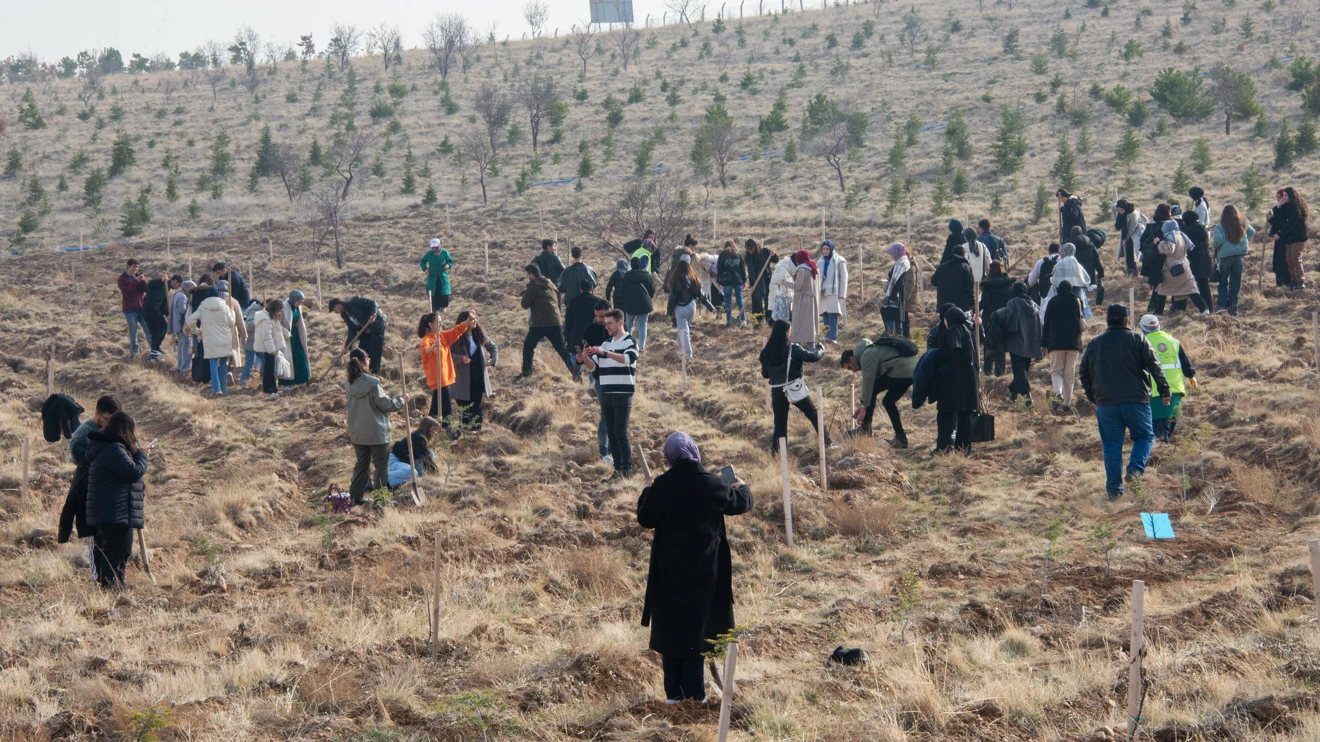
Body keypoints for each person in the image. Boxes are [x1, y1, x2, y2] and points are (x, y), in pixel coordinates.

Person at [637, 432, 753, 705]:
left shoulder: (661, 487)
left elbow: (645, 517)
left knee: (670, 629)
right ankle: (694, 696)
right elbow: (743, 503)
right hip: (705, 571)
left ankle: (673, 697)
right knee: (696, 629)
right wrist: (742, 486)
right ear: (695, 452)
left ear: (670, 457)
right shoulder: (713, 484)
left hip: (668, 572)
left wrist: (646, 489)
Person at [1079, 304, 1170, 501]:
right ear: (1127, 320)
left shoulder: (1095, 343)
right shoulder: (1138, 339)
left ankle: (1114, 492)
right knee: (1145, 437)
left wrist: (1093, 396)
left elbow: (1083, 372)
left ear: (1107, 320)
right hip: (1136, 401)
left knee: (1112, 446)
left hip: (1106, 404)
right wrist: (1164, 391)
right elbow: (1155, 367)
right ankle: (1135, 470)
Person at [84, 411, 151, 588]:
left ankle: (118, 587)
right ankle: (110, 591)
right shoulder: (113, 448)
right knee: (115, 553)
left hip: (115, 510)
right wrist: (142, 455)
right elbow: (132, 472)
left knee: (123, 551)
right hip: (113, 512)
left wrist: (137, 454)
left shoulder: (110, 447)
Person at [59, 396, 121, 573]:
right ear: (97, 413)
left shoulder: (109, 428)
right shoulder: (81, 437)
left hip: (110, 495)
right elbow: (84, 461)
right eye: (109, 419)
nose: (111, 425)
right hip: (90, 493)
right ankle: (99, 580)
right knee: (96, 539)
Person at [583, 309, 639, 480]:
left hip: (622, 394)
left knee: (620, 432)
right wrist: (585, 357)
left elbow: (628, 359)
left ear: (620, 323)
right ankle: (617, 470)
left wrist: (603, 353)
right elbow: (594, 368)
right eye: (605, 323)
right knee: (612, 434)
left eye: (610, 323)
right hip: (606, 394)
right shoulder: (606, 343)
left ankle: (627, 470)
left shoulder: (630, 341)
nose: (606, 326)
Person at [345, 347, 404, 506]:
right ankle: (381, 501)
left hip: (358, 433)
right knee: (381, 467)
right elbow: (386, 405)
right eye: (368, 358)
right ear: (364, 361)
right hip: (377, 433)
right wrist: (401, 400)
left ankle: (355, 499)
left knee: (361, 465)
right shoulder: (372, 384)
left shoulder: (349, 383)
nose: (370, 360)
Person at [760, 319, 831, 450]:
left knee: (780, 425)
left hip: (776, 390)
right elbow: (813, 357)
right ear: (786, 332)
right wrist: (820, 348)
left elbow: (765, 375)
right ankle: (827, 442)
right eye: (790, 330)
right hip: (794, 387)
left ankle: (778, 454)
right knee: (813, 414)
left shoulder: (767, 352)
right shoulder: (793, 349)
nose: (791, 332)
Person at [841, 339, 917, 448]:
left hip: (901, 370)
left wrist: (864, 406)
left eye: (849, 367)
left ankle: (865, 429)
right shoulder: (874, 351)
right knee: (888, 402)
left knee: (873, 389)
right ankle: (901, 439)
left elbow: (868, 381)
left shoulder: (866, 355)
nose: (852, 371)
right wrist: (864, 405)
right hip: (911, 372)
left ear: (852, 358)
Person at [1138, 315, 1197, 444]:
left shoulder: (1141, 342)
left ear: (1142, 328)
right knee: (1171, 422)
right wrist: (1191, 376)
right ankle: (1164, 452)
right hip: (1176, 389)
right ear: (1158, 326)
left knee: (1159, 427)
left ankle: (1161, 453)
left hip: (1153, 391)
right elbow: (1185, 362)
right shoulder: (1173, 341)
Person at [931, 306, 980, 454]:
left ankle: (943, 448)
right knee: (965, 416)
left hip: (950, 383)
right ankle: (962, 449)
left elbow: (944, 359)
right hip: (969, 382)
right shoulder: (970, 335)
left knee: (945, 415)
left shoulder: (948, 335)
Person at [519, 264, 579, 381]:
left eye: (528, 275)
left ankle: (526, 373)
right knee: (562, 350)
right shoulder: (550, 284)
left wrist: (527, 291)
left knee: (528, 346)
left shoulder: (533, 287)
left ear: (531, 275)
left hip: (540, 323)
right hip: (555, 321)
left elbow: (524, 304)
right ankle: (576, 373)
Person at [420, 312, 479, 426]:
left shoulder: (442, 336)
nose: (441, 324)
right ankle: (446, 432)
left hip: (446, 378)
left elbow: (457, 331)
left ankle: (427, 429)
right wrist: (433, 347)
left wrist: (468, 320)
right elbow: (424, 351)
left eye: (442, 322)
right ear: (431, 324)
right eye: (439, 322)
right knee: (446, 409)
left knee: (436, 409)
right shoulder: (427, 339)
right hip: (439, 379)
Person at [992, 283, 1042, 404]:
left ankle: (1028, 399)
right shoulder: (1034, 305)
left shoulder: (1012, 303)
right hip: (1030, 343)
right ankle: (1012, 397)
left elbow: (1008, 320)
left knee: (1019, 371)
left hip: (1016, 342)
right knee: (1022, 370)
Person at [578, 300, 615, 465]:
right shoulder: (590, 330)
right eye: (597, 316)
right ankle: (604, 453)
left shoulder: (618, 330)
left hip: (618, 376)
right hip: (600, 376)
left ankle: (615, 452)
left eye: (602, 316)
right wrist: (581, 358)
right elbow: (584, 354)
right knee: (606, 415)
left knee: (617, 416)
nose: (600, 320)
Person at [450, 308, 498, 430]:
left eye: (475, 318)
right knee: (464, 407)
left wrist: (492, 360)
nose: (474, 321)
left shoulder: (480, 335)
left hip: (478, 377)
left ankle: (476, 433)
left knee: (477, 407)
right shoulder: (455, 337)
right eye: (471, 319)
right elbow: (447, 354)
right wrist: (460, 358)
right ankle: (464, 433)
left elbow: (493, 347)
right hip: (462, 379)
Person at [187, 283, 237, 397]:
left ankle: (217, 389)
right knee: (223, 364)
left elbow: (190, 320)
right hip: (224, 339)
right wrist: (232, 311)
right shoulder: (225, 306)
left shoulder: (203, 306)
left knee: (213, 365)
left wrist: (197, 331)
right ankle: (223, 388)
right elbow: (232, 323)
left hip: (210, 341)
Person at [1041, 280, 1084, 412]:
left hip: (1056, 342)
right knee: (1069, 375)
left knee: (1056, 371)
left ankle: (1058, 394)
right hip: (1073, 343)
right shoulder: (1077, 301)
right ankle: (1067, 403)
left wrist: (1044, 344)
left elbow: (1046, 324)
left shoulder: (1053, 301)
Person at [1151, 221, 1210, 315]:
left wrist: (1159, 243)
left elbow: (1169, 250)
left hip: (1171, 267)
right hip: (1184, 265)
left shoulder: (1171, 236)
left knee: (1161, 290)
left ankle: (1158, 313)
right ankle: (1204, 309)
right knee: (1191, 290)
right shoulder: (1182, 235)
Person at [666, 255, 715, 359]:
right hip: (691, 307)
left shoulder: (675, 280)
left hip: (680, 309)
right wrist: (711, 308)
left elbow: (672, 298)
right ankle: (681, 351)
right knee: (682, 329)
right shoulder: (694, 279)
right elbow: (702, 296)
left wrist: (670, 311)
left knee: (683, 331)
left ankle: (688, 354)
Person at [1212, 203, 1255, 315]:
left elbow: (1218, 241)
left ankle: (1222, 306)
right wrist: (1242, 238)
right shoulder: (1243, 223)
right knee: (1235, 283)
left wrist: (1214, 244)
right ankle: (1234, 308)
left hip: (1225, 256)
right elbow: (1252, 232)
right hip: (1239, 256)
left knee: (1222, 282)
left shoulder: (1220, 226)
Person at [329, 296, 387, 374]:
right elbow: (352, 330)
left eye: (334, 310)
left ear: (337, 306)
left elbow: (372, 303)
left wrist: (373, 315)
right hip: (365, 330)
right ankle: (362, 372)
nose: (335, 312)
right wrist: (347, 347)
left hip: (377, 325)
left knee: (374, 350)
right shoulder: (344, 315)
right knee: (361, 351)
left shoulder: (354, 301)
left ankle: (374, 373)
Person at [1267, 186, 1310, 291]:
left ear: (1292, 195)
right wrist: (1278, 207)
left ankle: (1300, 281)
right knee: (1289, 259)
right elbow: (1279, 220)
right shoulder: (1287, 207)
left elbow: (1289, 224)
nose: (1284, 197)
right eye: (1284, 195)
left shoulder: (1295, 208)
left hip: (1298, 238)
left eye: (1286, 195)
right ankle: (1294, 280)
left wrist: (1280, 234)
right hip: (1289, 238)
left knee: (1296, 258)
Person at [978, 262, 1013, 376]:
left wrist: (975, 308)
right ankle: (1000, 371)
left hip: (990, 317)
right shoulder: (1008, 284)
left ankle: (987, 370)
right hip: (1004, 316)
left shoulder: (987, 285)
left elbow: (985, 302)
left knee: (988, 343)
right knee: (1001, 344)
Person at [388, 416, 442, 487]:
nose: (434, 432)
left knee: (430, 453)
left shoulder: (420, 436)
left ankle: (416, 478)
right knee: (412, 473)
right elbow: (424, 458)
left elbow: (425, 456)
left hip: (404, 460)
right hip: (395, 460)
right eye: (433, 429)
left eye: (436, 430)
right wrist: (436, 472)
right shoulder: (418, 438)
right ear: (427, 427)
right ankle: (384, 477)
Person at [252, 299, 290, 396]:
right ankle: (268, 390)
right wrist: (272, 350)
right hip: (268, 348)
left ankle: (273, 389)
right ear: (275, 309)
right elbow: (267, 336)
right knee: (269, 370)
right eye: (279, 310)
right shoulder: (266, 320)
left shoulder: (270, 317)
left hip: (270, 348)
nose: (280, 312)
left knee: (271, 369)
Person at [617, 257, 656, 351]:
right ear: (640, 264)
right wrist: (647, 298)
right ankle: (641, 347)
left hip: (630, 304)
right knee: (643, 325)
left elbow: (621, 290)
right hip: (644, 303)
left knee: (629, 324)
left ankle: (629, 345)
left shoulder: (627, 276)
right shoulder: (646, 275)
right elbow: (653, 289)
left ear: (631, 265)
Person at [1045, 243, 1092, 319]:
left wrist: (1050, 278)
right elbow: (1086, 280)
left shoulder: (1059, 264)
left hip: (1062, 296)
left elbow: (1055, 280)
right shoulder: (1078, 265)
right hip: (1077, 296)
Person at [1179, 210, 1214, 312]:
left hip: (1193, 261)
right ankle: (1209, 307)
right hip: (1205, 259)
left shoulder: (1187, 231)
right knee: (1204, 285)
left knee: (1189, 285)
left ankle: (1197, 307)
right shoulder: (1202, 229)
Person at [217, 280, 248, 385]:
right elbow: (240, 320)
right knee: (231, 353)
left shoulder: (214, 300)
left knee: (220, 355)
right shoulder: (233, 301)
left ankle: (222, 376)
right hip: (231, 331)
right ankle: (229, 372)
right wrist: (244, 335)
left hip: (217, 330)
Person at [117, 259, 150, 358]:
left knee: (148, 329)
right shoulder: (122, 279)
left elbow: (147, 289)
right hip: (130, 310)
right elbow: (126, 292)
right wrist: (135, 281)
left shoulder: (138, 277)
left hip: (141, 308)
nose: (135, 269)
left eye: (137, 267)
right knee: (133, 331)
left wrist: (143, 280)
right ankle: (135, 352)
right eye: (133, 267)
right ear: (128, 266)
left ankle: (155, 349)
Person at [817, 240, 848, 343]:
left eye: (827, 249)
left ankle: (833, 338)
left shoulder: (839, 260)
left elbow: (844, 278)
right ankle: (826, 337)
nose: (825, 251)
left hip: (834, 292)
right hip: (823, 292)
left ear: (831, 249)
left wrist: (842, 294)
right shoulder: (820, 262)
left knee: (833, 314)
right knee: (825, 314)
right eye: (824, 249)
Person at [883, 242, 916, 338]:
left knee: (896, 317)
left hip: (899, 296)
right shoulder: (900, 262)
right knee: (892, 315)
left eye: (892, 254)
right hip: (897, 295)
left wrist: (894, 297)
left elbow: (902, 282)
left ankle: (897, 337)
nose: (891, 256)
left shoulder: (903, 264)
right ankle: (894, 335)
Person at [930, 242, 974, 313]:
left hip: (944, 306)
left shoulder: (942, 267)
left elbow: (933, 282)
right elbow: (969, 288)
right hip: (962, 307)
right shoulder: (966, 268)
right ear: (963, 255)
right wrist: (973, 303)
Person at [564, 278, 600, 359]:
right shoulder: (597, 301)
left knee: (575, 356)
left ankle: (575, 371)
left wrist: (568, 334)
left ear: (580, 289)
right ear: (592, 288)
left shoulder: (573, 301)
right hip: (593, 334)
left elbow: (568, 320)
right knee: (593, 358)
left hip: (576, 333)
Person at [1070, 226, 1105, 309]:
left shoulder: (1069, 245)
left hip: (1074, 274)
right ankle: (1095, 307)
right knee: (1089, 293)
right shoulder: (1090, 244)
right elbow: (1096, 260)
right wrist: (1100, 272)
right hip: (1089, 273)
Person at [789, 251, 820, 345]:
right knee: (812, 326)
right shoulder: (814, 268)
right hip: (814, 300)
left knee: (800, 324)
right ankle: (814, 347)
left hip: (803, 301)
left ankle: (798, 347)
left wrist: (785, 282)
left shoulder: (802, 270)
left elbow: (797, 286)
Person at [281, 290, 311, 386]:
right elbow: (276, 323)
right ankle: (286, 383)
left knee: (300, 357)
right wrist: (285, 332)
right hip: (286, 337)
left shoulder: (297, 308)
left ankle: (302, 380)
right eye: (299, 302)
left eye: (301, 302)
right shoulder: (282, 307)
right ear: (293, 300)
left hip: (296, 336)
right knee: (288, 360)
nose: (300, 304)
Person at [716, 240, 747, 327]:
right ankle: (743, 319)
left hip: (727, 281)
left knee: (728, 301)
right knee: (740, 300)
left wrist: (719, 280)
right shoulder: (739, 255)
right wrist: (744, 281)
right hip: (738, 280)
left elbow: (719, 269)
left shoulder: (722, 255)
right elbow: (742, 269)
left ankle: (729, 320)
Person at [420, 238, 454, 312]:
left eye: (436, 247)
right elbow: (422, 261)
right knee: (434, 293)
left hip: (442, 277)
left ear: (439, 245)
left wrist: (448, 265)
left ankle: (443, 306)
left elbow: (450, 261)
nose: (435, 249)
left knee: (444, 293)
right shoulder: (429, 254)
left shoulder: (445, 253)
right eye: (433, 247)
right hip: (432, 277)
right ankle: (436, 308)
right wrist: (425, 269)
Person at [744, 239, 773, 326]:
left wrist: (773, 255)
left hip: (766, 280)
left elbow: (776, 259)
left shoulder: (764, 252)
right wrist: (752, 284)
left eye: (751, 249)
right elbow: (750, 272)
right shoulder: (748, 257)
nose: (749, 251)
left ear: (755, 247)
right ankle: (757, 323)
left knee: (768, 301)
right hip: (755, 282)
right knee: (756, 302)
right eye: (748, 249)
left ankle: (769, 321)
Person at [1115, 199, 1146, 277]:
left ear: (1125, 208)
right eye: (1118, 210)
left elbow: (1132, 229)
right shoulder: (1120, 213)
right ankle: (1130, 270)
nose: (1120, 212)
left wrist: (1125, 239)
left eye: (1121, 210)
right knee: (1127, 253)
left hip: (1135, 234)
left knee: (1132, 252)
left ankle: (1134, 272)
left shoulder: (1133, 214)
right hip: (1126, 232)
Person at [170, 278, 194, 375]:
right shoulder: (182, 297)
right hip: (181, 326)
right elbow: (182, 310)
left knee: (181, 346)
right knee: (186, 347)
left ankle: (180, 367)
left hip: (177, 325)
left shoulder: (177, 295)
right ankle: (185, 368)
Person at [143, 275, 170, 361]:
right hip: (150, 309)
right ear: (175, 281)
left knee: (154, 332)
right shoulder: (160, 283)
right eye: (178, 285)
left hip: (152, 310)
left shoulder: (166, 289)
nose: (178, 287)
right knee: (163, 326)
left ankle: (154, 355)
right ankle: (156, 348)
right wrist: (160, 280)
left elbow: (163, 304)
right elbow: (150, 284)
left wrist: (167, 314)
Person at [238, 298, 263, 388]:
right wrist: (261, 322)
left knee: (259, 360)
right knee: (250, 362)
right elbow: (249, 325)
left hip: (255, 341)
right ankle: (243, 383)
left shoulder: (256, 310)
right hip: (250, 342)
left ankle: (261, 381)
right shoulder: (255, 312)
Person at [769, 252, 795, 323]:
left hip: (782, 300)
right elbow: (776, 286)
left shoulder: (786, 269)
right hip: (780, 302)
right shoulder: (782, 270)